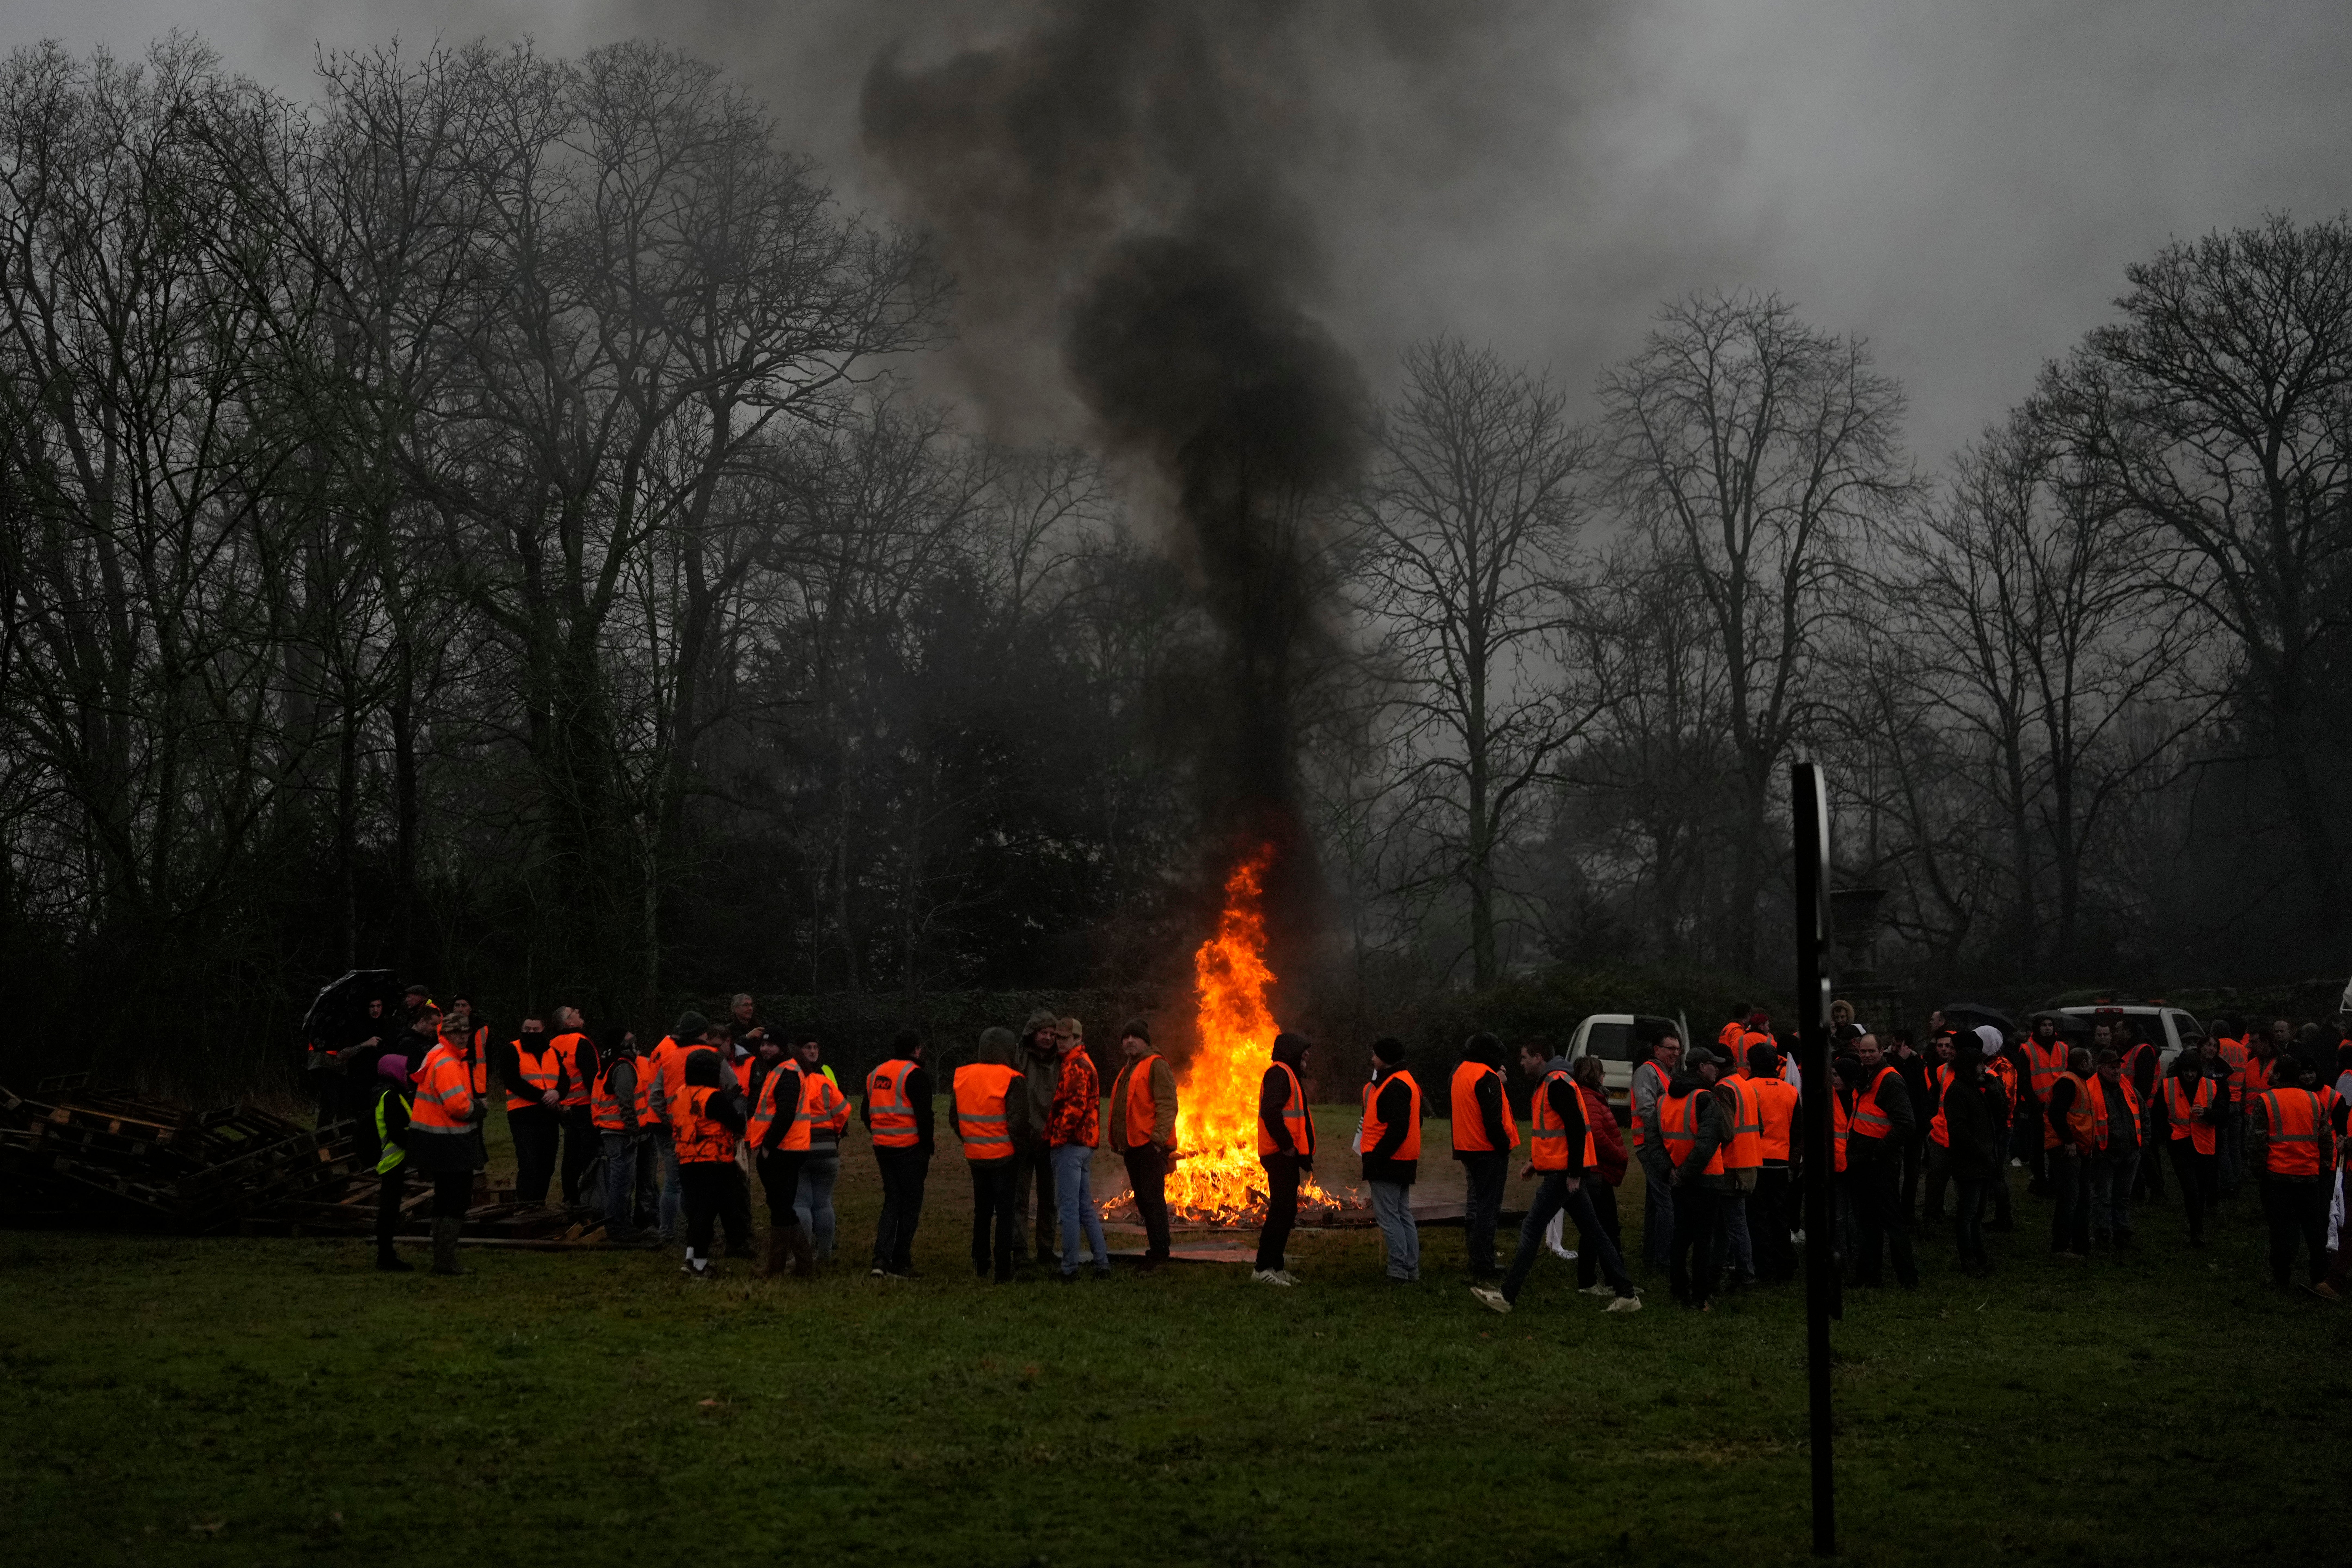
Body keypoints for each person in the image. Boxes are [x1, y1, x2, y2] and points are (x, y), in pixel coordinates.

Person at [1473, 1042, 1640, 1316]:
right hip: (1563, 1173)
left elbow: (1576, 1129)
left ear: (1539, 1057)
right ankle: (1627, 1295)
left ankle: (1507, 1296)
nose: (1522, 1063)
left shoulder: (1557, 1083)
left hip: (1563, 1177)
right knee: (1596, 1233)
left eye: (1525, 1057)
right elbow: (1557, 1136)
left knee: (1531, 1230)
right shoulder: (1554, 1082)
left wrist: (1574, 1173)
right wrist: (1535, 1163)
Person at [400, 1001, 489, 1276]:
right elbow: (458, 1107)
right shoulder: (449, 1064)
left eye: (465, 1032)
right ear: (445, 1034)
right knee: (456, 1200)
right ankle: (446, 1260)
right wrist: (480, 1108)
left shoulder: (438, 1055)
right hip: (450, 1142)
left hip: (434, 1141)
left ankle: (442, 1257)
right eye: (457, 1033)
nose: (463, 1036)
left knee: (444, 1198)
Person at [1654, 1047, 1731, 1310]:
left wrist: (1671, 1172)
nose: (1717, 1070)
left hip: (1678, 1180)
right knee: (1703, 1240)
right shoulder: (1705, 1099)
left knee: (1681, 1235)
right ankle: (1701, 1296)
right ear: (1701, 1068)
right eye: (1713, 1065)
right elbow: (1707, 1144)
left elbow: (1654, 1142)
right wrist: (1686, 1174)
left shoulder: (1664, 1099)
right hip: (1706, 1180)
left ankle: (1678, 1288)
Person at [2250, 1065, 2336, 1295]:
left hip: (2276, 1175)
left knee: (2280, 1229)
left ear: (2278, 1075)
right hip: (2309, 1174)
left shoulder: (2266, 1100)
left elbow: (2258, 1140)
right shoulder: (2314, 1099)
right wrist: (2324, 1166)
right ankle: (2320, 1278)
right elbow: (2326, 1136)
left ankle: (2281, 1278)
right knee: (2314, 1228)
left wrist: (2258, 1171)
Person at [952, 1028, 1027, 1282]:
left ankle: (980, 1262)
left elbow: (955, 1118)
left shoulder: (963, 1076)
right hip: (1005, 1157)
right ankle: (1003, 1269)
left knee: (982, 1211)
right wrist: (1021, 1151)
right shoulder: (1013, 1078)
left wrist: (972, 1139)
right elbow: (1017, 1123)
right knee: (1005, 1213)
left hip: (976, 1155)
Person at [1845, 1034, 1919, 1288]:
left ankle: (1907, 1278)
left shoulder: (1890, 1080)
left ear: (1882, 1052)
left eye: (1872, 1052)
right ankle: (1869, 1275)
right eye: (1863, 1052)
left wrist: (1880, 1152)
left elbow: (1907, 1124)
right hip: (1863, 1162)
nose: (1867, 1056)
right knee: (1868, 1222)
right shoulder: (1867, 1076)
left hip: (1880, 1164)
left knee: (1891, 1221)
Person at [673, 1047, 750, 1280]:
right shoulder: (713, 1097)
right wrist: (735, 1103)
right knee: (706, 1213)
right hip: (713, 1160)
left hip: (687, 1158)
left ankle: (690, 1257)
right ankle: (700, 1264)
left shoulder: (680, 1093)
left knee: (695, 1210)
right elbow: (737, 1124)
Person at [1106, 1020, 1178, 1271]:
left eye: (1135, 1037)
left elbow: (1168, 1105)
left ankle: (1160, 1254)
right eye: (1125, 1037)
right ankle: (1155, 1250)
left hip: (1149, 1147)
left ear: (1146, 1041)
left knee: (1153, 1201)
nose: (1129, 1041)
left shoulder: (1156, 1065)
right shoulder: (1129, 1069)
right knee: (1145, 1202)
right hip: (1132, 1148)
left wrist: (1157, 1143)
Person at [864, 1028, 935, 1280]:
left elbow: (866, 1113)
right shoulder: (915, 1075)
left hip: (883, 1148)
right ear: (916, 1049)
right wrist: (928, 1146)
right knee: (910, 1205)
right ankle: (901, 1261)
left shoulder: (875, 1074)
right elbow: (925, 1117)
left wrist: (882, 1132)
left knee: (892, 1201)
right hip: (910, 1149)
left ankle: (880, 1259)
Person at [1451, 1032, 1520, 1280]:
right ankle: (1483, 1263)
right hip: (1488, 1152)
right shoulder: (1486, 1077)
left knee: (1475, 1206)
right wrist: (1504, 1147)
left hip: (1467, 1148)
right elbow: (1492, 1121)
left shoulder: (1460, 1072)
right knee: (1488, 1210)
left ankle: (1477, 1259)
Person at [1047, 1018, 1109, 1282]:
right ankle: (1102, 1264)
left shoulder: (1074, 1066)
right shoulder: (1085, 1062)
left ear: (1077, 1038)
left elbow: (1075, 1107)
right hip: (1086, 1145)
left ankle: (1070, 1268)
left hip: (1072, 1146)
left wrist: (1057, 1139)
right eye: (1059, 1038)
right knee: (1085, 1207)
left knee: (1070, 1209)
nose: (1061, 1042)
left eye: (1066, 1038)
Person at [746, 1041, 815, 1279]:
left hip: (784, 1149)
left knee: (781, 1206)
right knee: (781, 1206)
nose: (765, 1049)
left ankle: (780, 1265)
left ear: (782, 1048)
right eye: (763, 1044)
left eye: (771, 1044)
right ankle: (798, 1264)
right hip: (787, 1148)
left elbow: (786, 1112)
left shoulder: (787, 1073)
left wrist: (767, 1146)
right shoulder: (782, 1070)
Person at [1253, 1031, 1316, 1286]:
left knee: (1287, 1210)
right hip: (1280, 1155)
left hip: (1287, 1155)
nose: (1307, 1054)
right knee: (1281, 1210)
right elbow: (1271, 1112)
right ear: (1291, 1051)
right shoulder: (1279, 1073)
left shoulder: (1289, 1075)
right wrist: (1288, 1146)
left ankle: (1276, 1266)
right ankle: (1263, 1268)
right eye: (1303, 1049)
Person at [1360, 1038, 1424, 1284]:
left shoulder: (1395, 1085)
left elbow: (1397, 1128)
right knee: (1402, 1214)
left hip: (1389, 1162)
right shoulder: (1406, 1081)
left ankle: (1399, 1270)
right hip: (1403, 1160)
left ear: (1385, 1058)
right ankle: (1411, 1269)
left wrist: (1377, 1158)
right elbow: (1416, 1122)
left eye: (1375, 1055)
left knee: (1389, 1218)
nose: (1372, 1059)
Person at [1570, 1055, 1631, 1294]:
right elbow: (1596, 1134)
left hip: (1594, 1171)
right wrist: (1619, 1154)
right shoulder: (1591, 1099)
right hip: (1598, 1172)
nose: (1605, 1077)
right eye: (1602, 1073)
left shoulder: (1588, 1097)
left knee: (1597, 1227)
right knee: (1604, 1228)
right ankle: (1610, 1280)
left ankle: (1600, 1279)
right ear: (1595, 1076)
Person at [643, 1013, 705, 1245]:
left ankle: (667, 1231)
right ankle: (693, 1231)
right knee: (686, 1181)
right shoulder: (694, 1055)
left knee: (672, 1181)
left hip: (660, 1121)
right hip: (682, 1124)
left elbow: (656, 1093)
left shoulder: (663, 1049)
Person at [1942, 1041, 2001, 1276]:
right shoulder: (1959, 1091)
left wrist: (1993, 1087)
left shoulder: (1973, 1089)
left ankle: (1978, 1256)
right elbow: (1959, 1129)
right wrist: (1980, 1152)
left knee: (1976, 1214)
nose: (1984, 1069)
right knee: (1969, 1214)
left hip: (1979, 1159)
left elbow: (2000, 1109)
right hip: (1970, 1161)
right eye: (1980, 1064)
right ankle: (1969, 1259)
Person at [591, 1031, 656, 1245]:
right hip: (621, 1133)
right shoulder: (624, 1068)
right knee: (622, 1183)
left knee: (621, 1182)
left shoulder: (611, 1065)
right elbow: (626, 1102)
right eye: (631, 1043)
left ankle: (621, 1224)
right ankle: (617, 1227)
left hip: (615, 1131)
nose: (636, 1047)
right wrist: (634, 1130)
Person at [1011, 1010, 1062, 1267]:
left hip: (1049, 1140)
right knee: (1019, 1199)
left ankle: (1046, 1250)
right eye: (1044, 1033)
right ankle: (1020, 1252)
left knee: (1049, 1200)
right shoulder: (1019, 1058)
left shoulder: (1061, 1062)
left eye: (1053, 1034)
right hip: (1022, 1139)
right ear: (1034, 1033)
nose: (1049, 1038)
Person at [792, 1037, 851, 1260]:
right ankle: (825, 1252)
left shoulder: (790, 1081)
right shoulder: (823, 1081)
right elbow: (844, 1109)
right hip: (827, 1149)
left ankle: (803, 1254)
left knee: (801, 1203)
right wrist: (833, 1132)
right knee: (824, 1202)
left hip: (799, 1148)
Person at [1629, 1032, 1683, 1271]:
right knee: (1666, 1204)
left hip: (1655, 1145)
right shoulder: (1648, 1071)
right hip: (1651, 1146)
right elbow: (1647, 1109)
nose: (1675, 1053)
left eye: (1678, 1049)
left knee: (1655, 1203)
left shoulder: (1664, 1074)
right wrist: (1659, 1143)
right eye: (1670, 1048)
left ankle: (1651, 1257)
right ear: (1656, 1050)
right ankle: (1665, 1260)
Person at [1748, 1042, 1800, 1283]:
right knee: (1781, 1215)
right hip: (1781, 1163)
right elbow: (1798, 1132)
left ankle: (1764, 1267)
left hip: (1755, 1161)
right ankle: (1786, 1264)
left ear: (1751, 1063)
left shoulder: (1748, 1089)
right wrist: (1793, 1163)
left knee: (1758, 1218)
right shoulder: (1790, 1091)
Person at [496, 1015, 562, 1205]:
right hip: (522, 1115)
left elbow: (563, 1078)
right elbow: (513, 1081)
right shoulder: (512, 1050)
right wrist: (544, 1097)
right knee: (529, 1164)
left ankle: (538, 1204)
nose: (531, 1033)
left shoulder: (553, 1052)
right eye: (528, 1030)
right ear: (522, 1030)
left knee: (547, 1165)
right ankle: (525, 1206)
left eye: (535, 1030)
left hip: (549, 1115)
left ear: (543, 1031)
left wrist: (558, 1093)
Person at [2158, 1049, 2221, 1247]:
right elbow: (2158, 1115)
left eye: (2193, 1071)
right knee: (2191, 1190)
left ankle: (2198, 1227)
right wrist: (2168, 1137)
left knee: (2200, 1190)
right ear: (2179, 1070)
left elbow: (2224, 1115)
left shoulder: (2212, 1087)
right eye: (2186, 1070)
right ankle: (2197, 1232)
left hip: (2205, 1145)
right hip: (2180, 1146)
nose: (2189, 1075)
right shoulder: (2167, 1086)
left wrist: (2208, 1114)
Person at [1716, 1048, 1764, 1291]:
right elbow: (1761, 1127)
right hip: (1750, 1162)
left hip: (1731, 1164)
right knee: (1735, 1223)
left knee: (1734, 1224)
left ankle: (1745, 1273)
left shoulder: (1723, 1089)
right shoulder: (1745, 1085)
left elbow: (1725, 1132)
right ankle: (1734, 1268)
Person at [545, 1006, 601, 1208]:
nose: (578, 1011)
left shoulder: (551, 1045)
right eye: (573, 1012)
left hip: (564, 1110)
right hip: (586, 1108)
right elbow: (592, 1079)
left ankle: (570, 1198)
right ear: (569, 1023)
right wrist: (599, 1107)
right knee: (590, 1156)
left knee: (570, 1156)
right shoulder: (582, 1043)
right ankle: (590, 1200)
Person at [2087, 1049, 2142, 1250]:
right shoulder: (2090, 1090)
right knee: (2103, 1196)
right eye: (2112, 1067)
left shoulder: (2129, 1088)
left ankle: (2122, 1231)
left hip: (2130, 1153)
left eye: (2118, 1067)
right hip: (2104, 1154)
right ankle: (2103, 1231)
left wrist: (2141, 1144)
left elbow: (2143, 1115)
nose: (2117, 1071)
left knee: (2123, 1196)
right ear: (2101, 1069)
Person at [2044, 1047, 2097, 1260]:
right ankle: (2061, 1247)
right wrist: (2069, 1141)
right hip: (2067, 1148)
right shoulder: (2069, 1082)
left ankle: (2080, 1243)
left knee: (2082, 1198)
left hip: (2079, 1148)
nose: (2092, 1065)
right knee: (2070, 1198)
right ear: (2084, 1064)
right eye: (2091, 1061)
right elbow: (2056, 1113)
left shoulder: (2078, 1082)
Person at [2021, 1017, 2069, 1195]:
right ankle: (2040, 1181)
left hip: (2060, 1104)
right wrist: (2034, 1104)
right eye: (2044, 1026)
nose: (2048, 1029)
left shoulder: (2063, 1048)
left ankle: (2057, 1181)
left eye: (2051, 1025)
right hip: (2038, 1105)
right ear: (2037, 1028)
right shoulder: (2027, 1049)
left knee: (2059, 1144)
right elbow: (2024, 1080)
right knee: (2039, 1145)